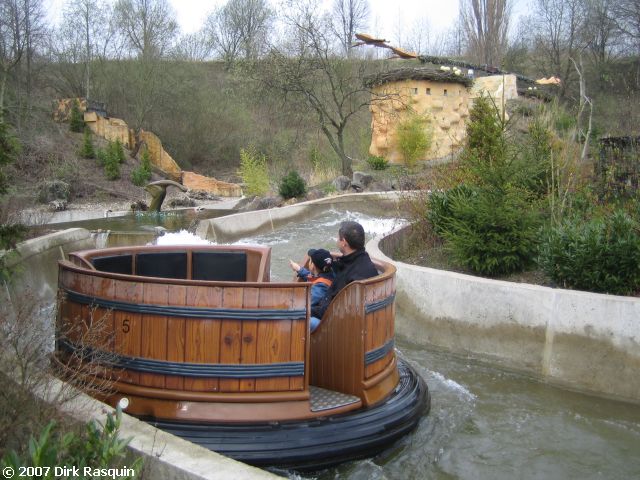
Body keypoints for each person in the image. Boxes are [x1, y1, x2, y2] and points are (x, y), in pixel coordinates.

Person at [310, 221, 379, 330]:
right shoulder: (361, 262)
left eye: (338, 238)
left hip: (337, 328)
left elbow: (330, 310)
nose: (337, 240)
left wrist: (305, 311)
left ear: (344, 242)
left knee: (295, 319)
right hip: (354, 320)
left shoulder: (353, 276)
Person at [289, 248, 335, 332]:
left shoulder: (321, 286)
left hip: (322, 321)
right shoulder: (330, 274)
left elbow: (306, 303)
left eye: (310, 261)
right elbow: (313, 278)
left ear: (313, 266)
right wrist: (299, 269)